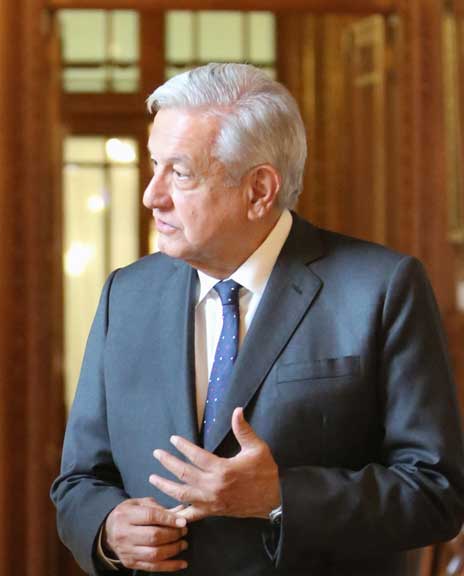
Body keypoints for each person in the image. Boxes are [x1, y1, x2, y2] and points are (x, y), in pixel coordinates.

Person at [51, 63, 464, 575]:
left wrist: (279, 496)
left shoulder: (382, 288)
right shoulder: (126, 294)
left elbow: (436, 493)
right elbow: (78, 482)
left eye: (179, 173)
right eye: (154, 166)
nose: (151, 195)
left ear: (259, 190)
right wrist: (109, 528)